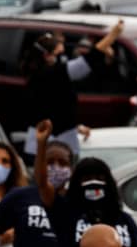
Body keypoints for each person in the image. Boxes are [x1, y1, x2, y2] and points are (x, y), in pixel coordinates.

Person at [20, 22, 121, 158]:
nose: (60, 59)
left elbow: (54, 109)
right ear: (47, 56)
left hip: (48, 141)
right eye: (57, 55)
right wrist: (113, 35)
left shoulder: (37, 75)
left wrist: (75, 127)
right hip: (50, 147)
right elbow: (90, 59)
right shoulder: (52, 73)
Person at [54, 154, 137, 247]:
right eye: (87, 178)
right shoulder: (66, 217)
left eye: (99, 178)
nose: (93, 182)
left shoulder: (125, 220)